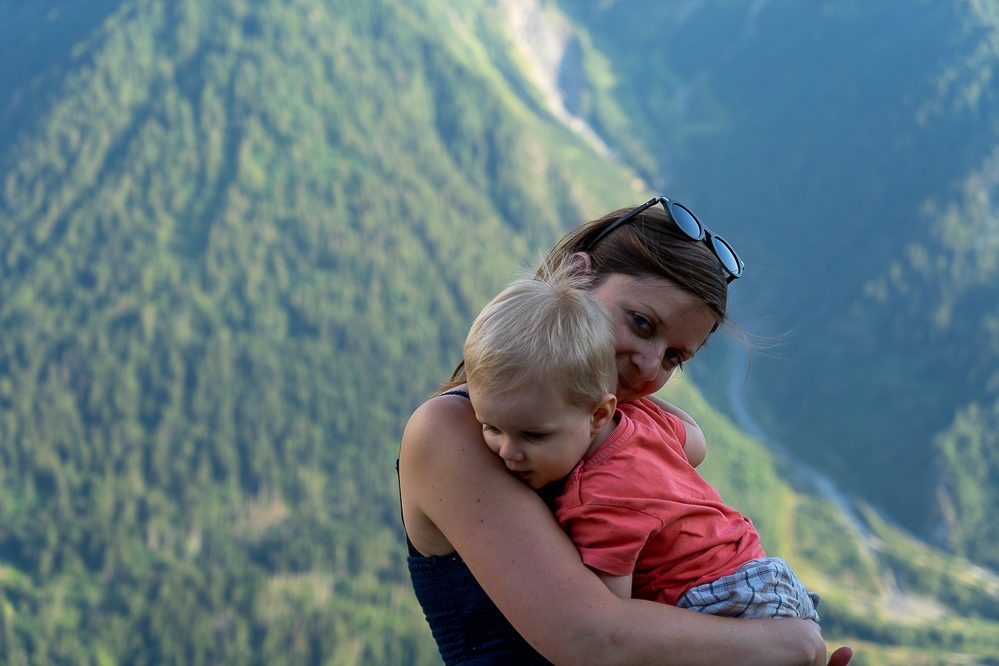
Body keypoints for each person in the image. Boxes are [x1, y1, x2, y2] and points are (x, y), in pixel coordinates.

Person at [398, 195, 854, 665]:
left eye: (675, 356)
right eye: (641, 323)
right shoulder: (451, 431)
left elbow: (692, 438)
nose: (648, 365)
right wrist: (794, 645)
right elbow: (591, 638)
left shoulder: (610, 426)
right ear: (575, 277)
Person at [461, 262, 820, 622]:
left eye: (533, 435)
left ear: (599, 416)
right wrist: (612, 393)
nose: (507, 450)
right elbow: (697, 442)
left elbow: (613, 620)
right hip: (762, 572)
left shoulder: (601, 497)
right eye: (491, 428)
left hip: (719, 601)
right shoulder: (639, 421)